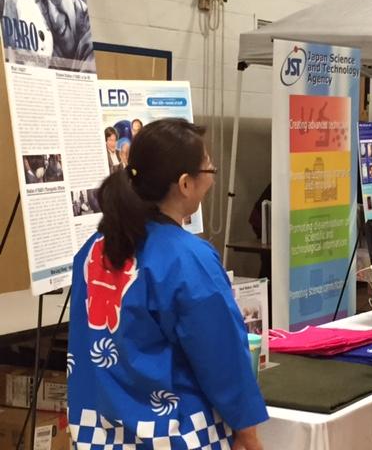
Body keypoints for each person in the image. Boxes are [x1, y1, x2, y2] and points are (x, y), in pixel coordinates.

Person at [67, 118, 268, 450]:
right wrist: (247, 431)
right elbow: (221, 355)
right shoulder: (187, 258)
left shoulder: (92, 249)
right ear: (186, 184)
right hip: (174, 435)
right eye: (210, 170)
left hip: (96, 433)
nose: (213, 178)